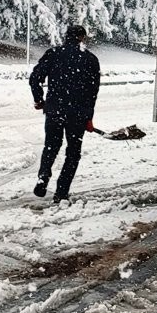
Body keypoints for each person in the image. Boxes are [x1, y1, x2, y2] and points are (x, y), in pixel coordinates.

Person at [29, 24, 101, 203]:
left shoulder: (53, 54)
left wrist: (39, 100)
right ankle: (61, 192)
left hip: (54, 110)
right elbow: (93, 92)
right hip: (77, 114)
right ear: (82, 38)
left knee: (51, 146)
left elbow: (35, 78)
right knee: (73, 153)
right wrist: (89, 117)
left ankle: (43, 177)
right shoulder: (90, 59)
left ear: (66, 36)